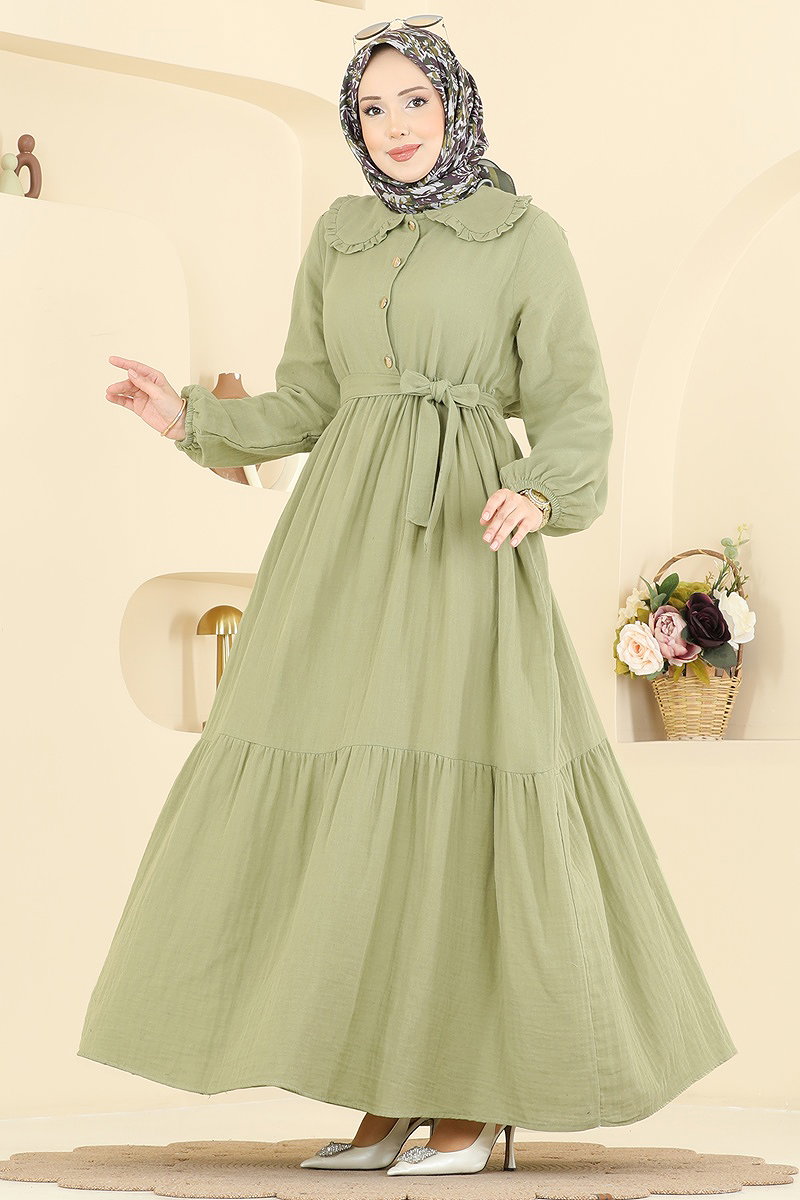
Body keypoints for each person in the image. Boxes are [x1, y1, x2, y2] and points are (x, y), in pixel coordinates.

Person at [78, 21, 737, 1179]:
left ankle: (470, 1101)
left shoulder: (524, 238)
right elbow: (308, 398)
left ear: (454, 104)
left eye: (413, 101)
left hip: (465, 537)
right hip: (341, 546)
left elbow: (574, 400)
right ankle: (386, 1095)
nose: (393, 126)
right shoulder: (341, 237)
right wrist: (188, 419)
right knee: (353, 793)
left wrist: (539, 489)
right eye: (370, 108)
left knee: (457, 783)